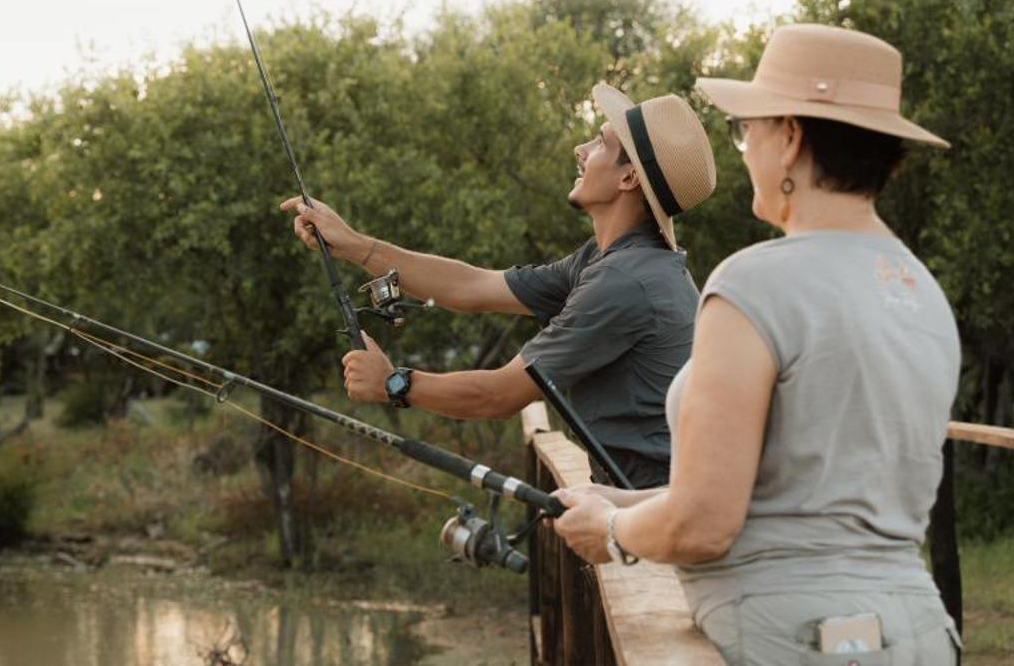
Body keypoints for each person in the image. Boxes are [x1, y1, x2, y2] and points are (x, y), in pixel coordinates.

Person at [553, 23, 960, 666]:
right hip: (908, 638)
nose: (739, 146)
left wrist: (613, 527)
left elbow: (701, 516)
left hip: (804, 645)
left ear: (788, 137)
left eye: (747, 127)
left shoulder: (758, 282)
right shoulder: (919, 290)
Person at [282, 86, 715, 485]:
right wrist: (354, 245)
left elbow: (500, 395)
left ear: (628, 179)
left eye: (601, 142)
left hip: (661, 525)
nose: (580, 150)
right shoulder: (606, 259)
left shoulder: (624, 281)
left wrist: (394, 383)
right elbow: (474, 287)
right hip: (649, 510)